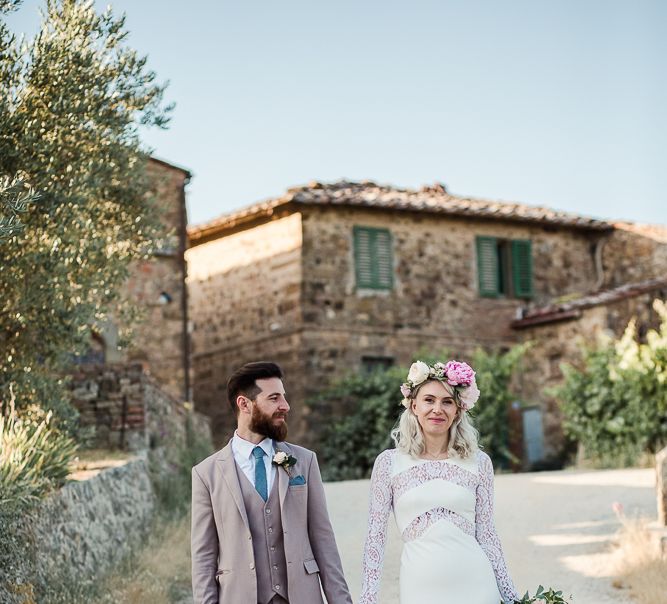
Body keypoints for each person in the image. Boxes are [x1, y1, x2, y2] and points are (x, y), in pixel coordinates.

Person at [191, 361, 352, 604]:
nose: (285, 406)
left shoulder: (304, 461)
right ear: (244, 404)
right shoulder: (206, 473)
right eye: (274, 398)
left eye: (284, 398)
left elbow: (323, 540)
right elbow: (203, 556)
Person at [359, 360, 520, 604]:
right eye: (429, 400)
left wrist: (513, 599)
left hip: (477, 585)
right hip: (420, 588)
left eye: (447, 402)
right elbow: (375, 538)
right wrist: (367, 599)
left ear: (458, 410)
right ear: (413, 406)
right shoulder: (388, 463)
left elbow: (487, 535)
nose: (438, 409)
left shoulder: (479, 462)